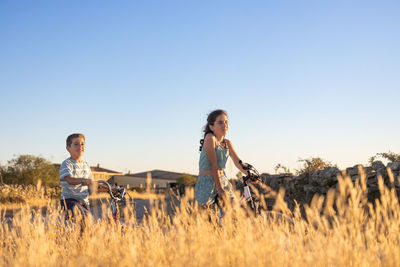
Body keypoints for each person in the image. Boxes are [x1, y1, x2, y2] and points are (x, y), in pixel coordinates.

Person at [195, 109, 248, 208]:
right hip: (207, 182)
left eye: (226, 122)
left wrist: (249, 174)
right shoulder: (210, 138)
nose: (225, 125)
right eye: (220, 123)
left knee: (234, 212)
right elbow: (213, 165)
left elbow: (238, 162)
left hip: (222, 180)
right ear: (211, 126)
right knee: (205, 219)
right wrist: (219, 189)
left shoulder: (227, 143)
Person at [59, 133, 107, 220]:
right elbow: (69, 179)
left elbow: (92, 184)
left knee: (86, 227)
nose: (80, 146)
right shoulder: (67, 163)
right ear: (68, 148)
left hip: (84, 202)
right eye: (76, 144)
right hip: (69, 201)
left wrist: (110, 190)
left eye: (82, 144)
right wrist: (84, 181)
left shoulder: (86, 165)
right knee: (82, 218)